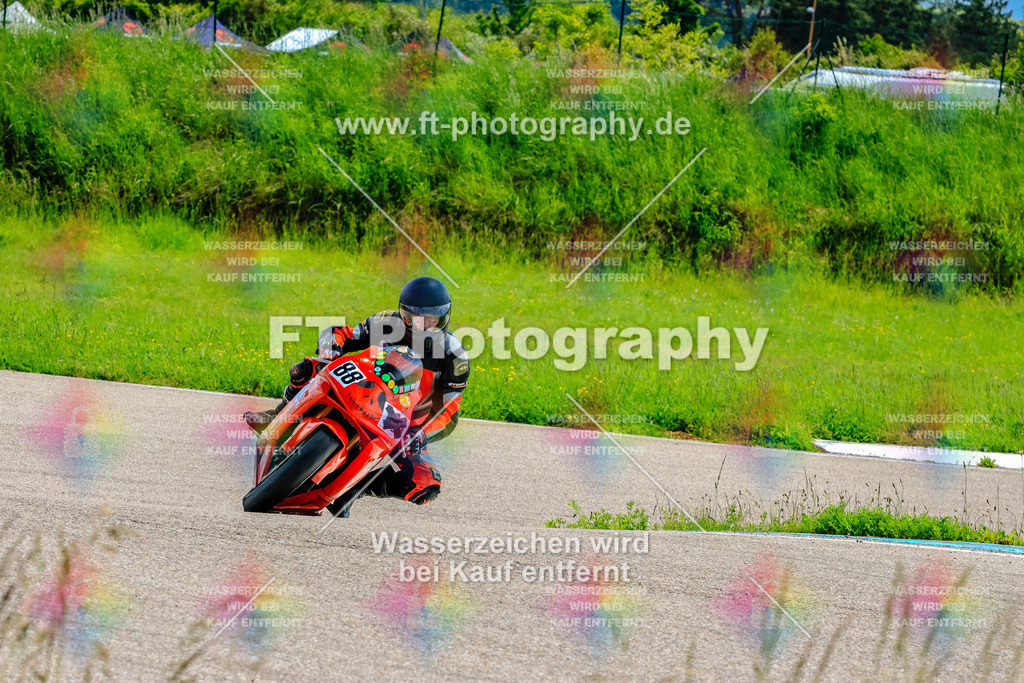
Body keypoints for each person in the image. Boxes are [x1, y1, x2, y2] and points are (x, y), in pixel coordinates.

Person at [244, 276, 470, 517]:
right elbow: (340, 334)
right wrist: (330, 350)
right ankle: (278, 415)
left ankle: (355, 490)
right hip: (362, 390)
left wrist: (421, 434)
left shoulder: (454, 355)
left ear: (443, 318)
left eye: (431, 319)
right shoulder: (386, 323)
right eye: (414, 318)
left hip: (402, 426)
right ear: (403, 314)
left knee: (427, 482)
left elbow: (449, 411)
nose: (422, 325)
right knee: (307, 368)